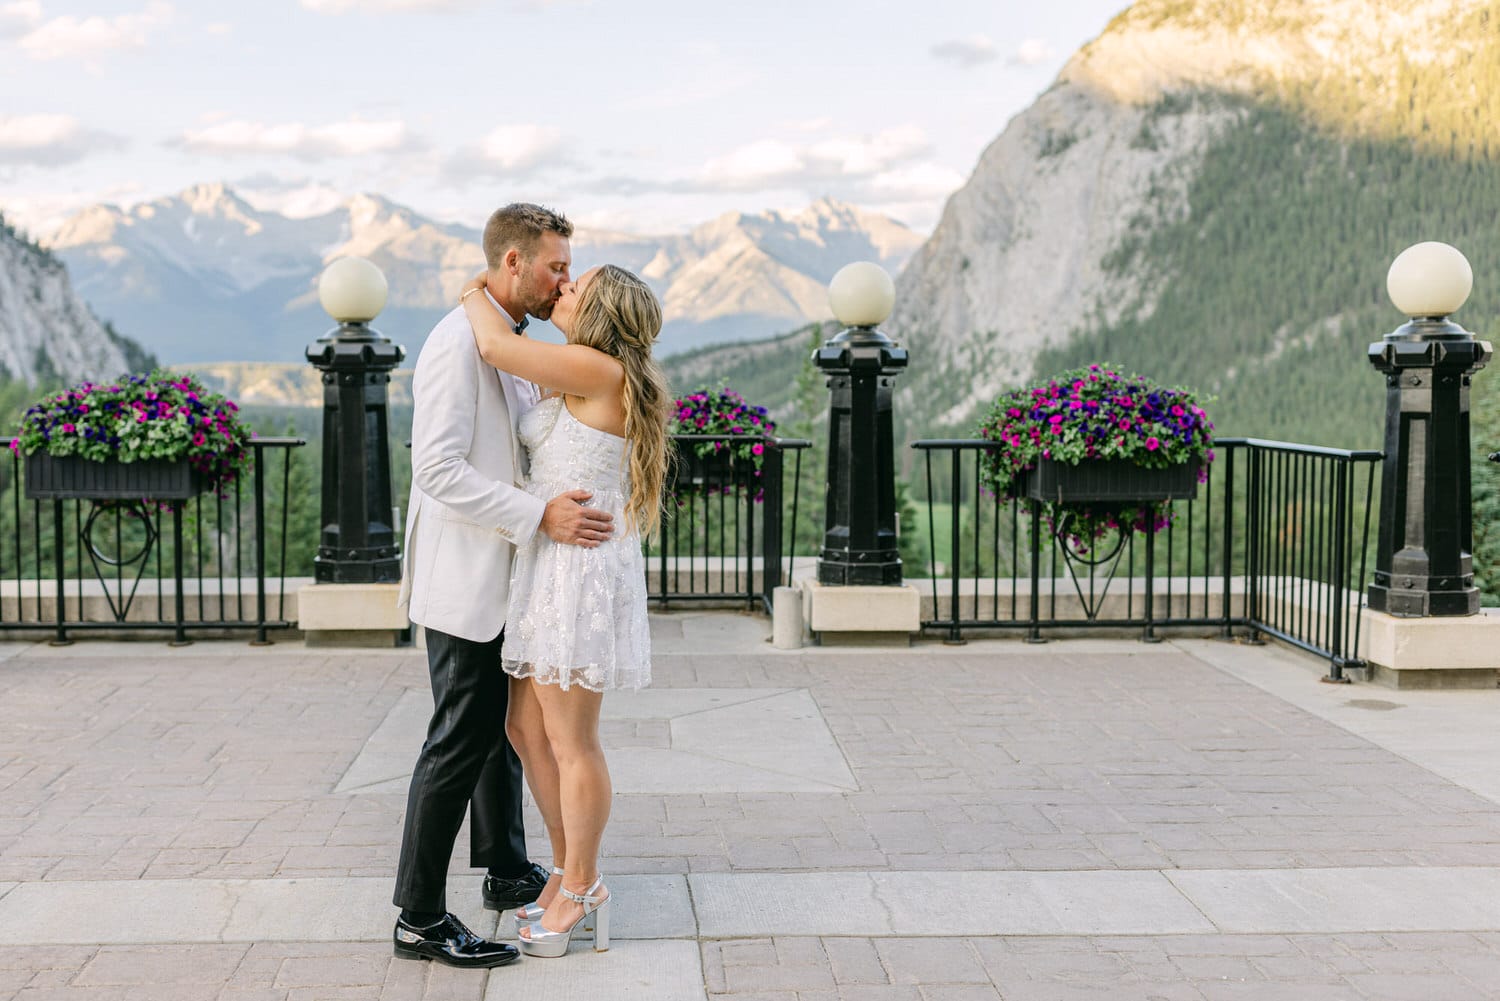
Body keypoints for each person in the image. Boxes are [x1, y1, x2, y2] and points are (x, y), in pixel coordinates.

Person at [391, 203, 616, 969]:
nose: (563, 279)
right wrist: (539, 515)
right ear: (513, 262)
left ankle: (508, 867)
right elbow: (439, 469)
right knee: (460, 739)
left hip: (512, 575)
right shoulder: (459, 342)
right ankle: (419, 915)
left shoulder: (504, 335)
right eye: (555, 265)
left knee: (502, 734)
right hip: (467, 576)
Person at [456, 261, 670, 958]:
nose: (564, 288)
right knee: (523, 726)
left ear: (600, 314)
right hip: (547, 566)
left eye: (577, 288)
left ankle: (582, 884)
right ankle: (566, 867)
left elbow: (492, 346)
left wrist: (473, 289)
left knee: (572, 740)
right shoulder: (580, 369)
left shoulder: (598, 369)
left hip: (578, 575)